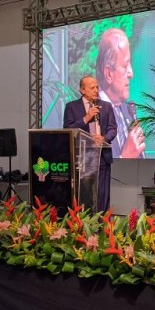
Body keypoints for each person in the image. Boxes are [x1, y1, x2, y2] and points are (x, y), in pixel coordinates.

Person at [63, 75, 117, 213]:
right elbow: (68, 130)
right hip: (82, 158)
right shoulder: (71, 107)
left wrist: (104, 138)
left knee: (102, 194)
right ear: (82, 90)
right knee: (84, 194)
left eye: (97, 87)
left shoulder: (106, 106)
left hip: (102, 157)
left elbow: (113, 128)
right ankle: (84, 224)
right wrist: (86, 118)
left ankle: (103, 225)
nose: (96, 90)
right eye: (92, 87)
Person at [97, 29, 146, 159]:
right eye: (125, 66)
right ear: (108, 74)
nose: (131, 73)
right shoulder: (92, 113)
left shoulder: (128, 110)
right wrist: (125, 157)